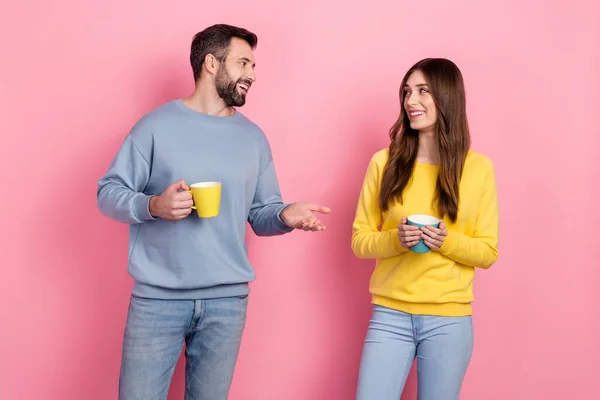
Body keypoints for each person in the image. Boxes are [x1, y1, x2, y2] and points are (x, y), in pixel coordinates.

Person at [97, 24, 331, 400]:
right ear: (211, 63)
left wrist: (286, 215)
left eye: (253, 65)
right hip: (157, 301)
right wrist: (153, 205)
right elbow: (108, 192)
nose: (252, 74)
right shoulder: (155, 127)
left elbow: (262, 213)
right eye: (243, 63)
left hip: (227, 304)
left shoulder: (253, 138)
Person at [351, 58, 499, 400]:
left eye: (422, 91)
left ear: (447, 97)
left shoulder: (478, 169)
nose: (410, 101)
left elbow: (488, 252)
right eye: (406, 92)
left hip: (450, 320)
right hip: (390, 314)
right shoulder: (383, 162)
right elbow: (360, 241)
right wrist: (396, 239)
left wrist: (445, 241)